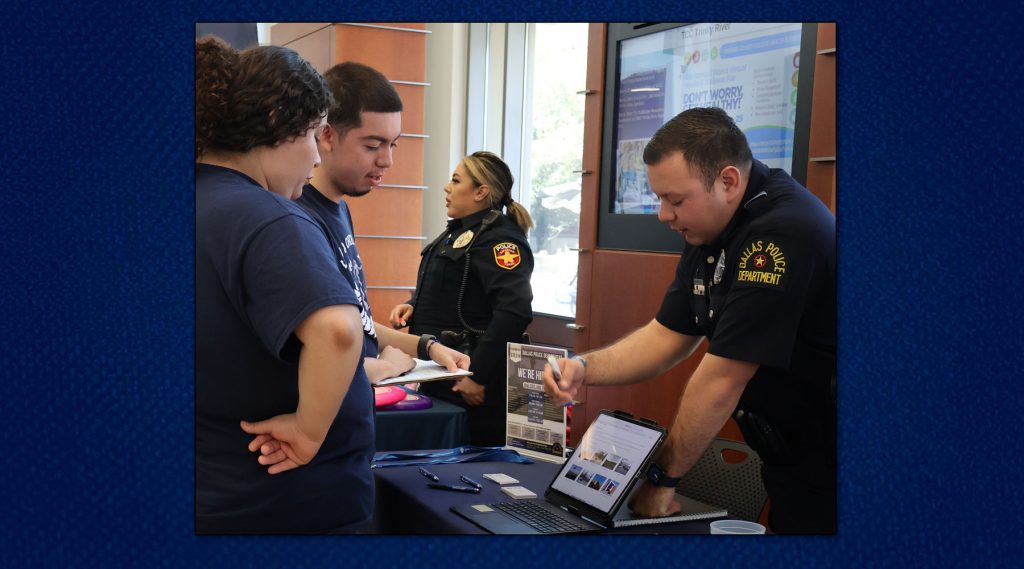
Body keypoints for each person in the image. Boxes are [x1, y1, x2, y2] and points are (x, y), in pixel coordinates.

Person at [544, 107, 836, 534]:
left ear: (729, 181)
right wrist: (584, 369)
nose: (664, 215)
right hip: (788, 451)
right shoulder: (712, 226)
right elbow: (667, 336)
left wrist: (663, 479)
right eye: (660, 199)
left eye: (675, 200)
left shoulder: (781, 234)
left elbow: (721, 378)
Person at [195, 37, 371, 534]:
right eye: (315, 135)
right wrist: (308, 430)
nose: (317, 156)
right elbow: (338, 331)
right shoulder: (269, 219)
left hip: (215, 489)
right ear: (277, 123)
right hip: (285, 502)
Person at [295, 61, 469, 383]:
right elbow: (323, 350)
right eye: (373, 146)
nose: (387, 160)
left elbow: (360, 324)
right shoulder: (299, 220)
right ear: (327, 135)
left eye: (393, 144)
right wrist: (388, 366)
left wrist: (426, 347)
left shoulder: (339, 209)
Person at [390, 151, 535, 446]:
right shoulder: (459, 232)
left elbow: (513, 312)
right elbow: (454, 288)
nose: (447, 187)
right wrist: (413, 305)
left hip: (471, 381)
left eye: (456, 181)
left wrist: (476, 376)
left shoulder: (499, 240)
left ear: (481, 192)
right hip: (443, 373)